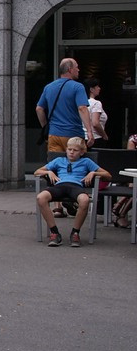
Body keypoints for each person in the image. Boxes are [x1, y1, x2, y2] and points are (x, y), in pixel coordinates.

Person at [36, 59, 95, 218]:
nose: (78, 69)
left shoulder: (49, 87)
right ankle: (75, 198)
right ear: (69, 69)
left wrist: (46, 127)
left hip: (54, 134)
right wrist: (89, 131)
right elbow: (82, 108)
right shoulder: (77, 87)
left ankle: (57, 206)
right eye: (76, 67)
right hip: (73, 134)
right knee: (77, 165)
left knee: (55, 167)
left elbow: (39, 108)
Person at [34, 137, 110, 247]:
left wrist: (93, 173)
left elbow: (108, 175)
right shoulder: (59, 160)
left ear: (82, 152)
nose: (71, 152)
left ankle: (75, 233)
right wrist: (49, 171)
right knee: (40, 197)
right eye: (69, 149)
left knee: (84, 200)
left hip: (76, 186)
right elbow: (37, 172)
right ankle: (54, 232)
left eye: (75, 150)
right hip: (60, 185)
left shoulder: (86, 161)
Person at [85, 78, 108, 145]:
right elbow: (95, 123)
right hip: (95, 138)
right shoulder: (96, 103)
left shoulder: (81, 103)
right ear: (91, 89)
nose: (99, 88)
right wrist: (104, 135)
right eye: (97, 87)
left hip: (83, 138)